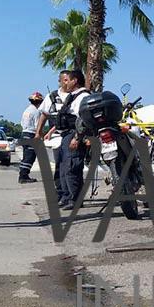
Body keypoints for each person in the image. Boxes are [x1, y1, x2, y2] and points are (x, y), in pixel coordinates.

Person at [56, 70, 89, 210]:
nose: (65, 84)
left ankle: (75, 200)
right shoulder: (73, 96)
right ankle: (68, 196)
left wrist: (77, 137)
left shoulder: (83, 96)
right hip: (66, 135)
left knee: (72, 166)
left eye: (66, 80)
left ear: (74, 80)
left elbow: (82, 119)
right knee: (64, 168)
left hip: (73, 134)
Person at [36, 72, 69, 201]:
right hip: (55, 138)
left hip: (70, 135)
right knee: (59, 164)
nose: (67, 82)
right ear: (60, 81)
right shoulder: (52, 97)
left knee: (69, 166)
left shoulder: (75, 96)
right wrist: (39, 132)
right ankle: (60, 191)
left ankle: (70, 194)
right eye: (64, 80)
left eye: (69, 80)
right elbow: (44, 114)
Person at [18, 92, 43, 183]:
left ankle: (23, 174)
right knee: (30, 157)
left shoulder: (27, 110)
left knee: (26, 156)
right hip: (31, 134)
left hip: (24, 134)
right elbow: (38, 126)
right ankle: (23, 176)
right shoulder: (36, 112)